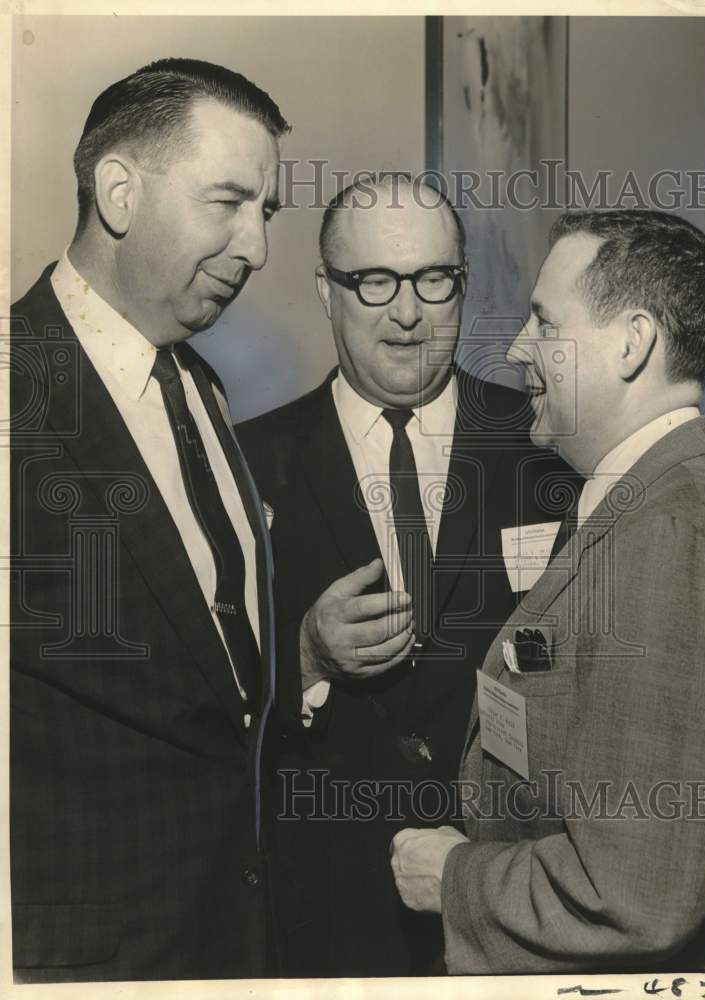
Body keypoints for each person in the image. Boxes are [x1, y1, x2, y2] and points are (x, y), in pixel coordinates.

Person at [390, 209, 705, 973]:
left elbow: (636, 896)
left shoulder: (673, 530)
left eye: (542, 322)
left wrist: (455, 878)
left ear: (631, 344)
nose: (513, 349)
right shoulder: (649, 494)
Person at [236, 175, 577, 976]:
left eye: (433, 279)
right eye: (374, 281)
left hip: (514, 901)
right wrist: (306, 659)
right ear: (327, 291)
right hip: (326, 918)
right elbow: (193, 703)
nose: (407, 311)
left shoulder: (549, 450)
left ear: (462, 283)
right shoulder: (245, 464)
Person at [9, 58, 289, 981]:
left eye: (268, 213)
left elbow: (194, 674)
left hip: (228, 938)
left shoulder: (199, 383)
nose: (256, 247)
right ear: (119, 192)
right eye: (229, 202)